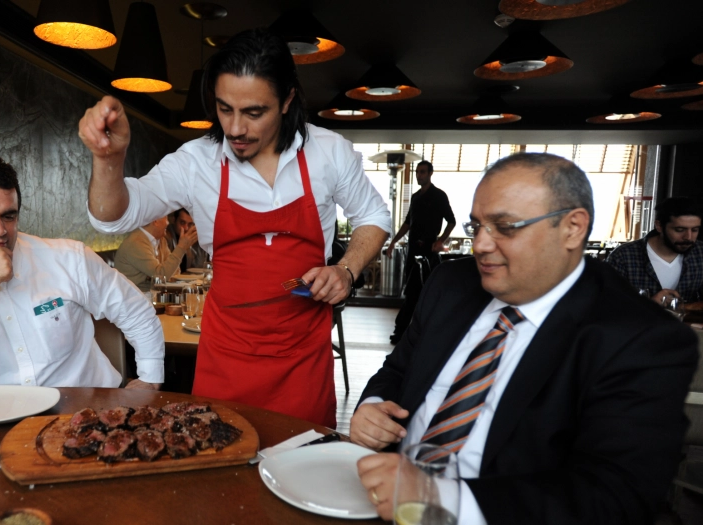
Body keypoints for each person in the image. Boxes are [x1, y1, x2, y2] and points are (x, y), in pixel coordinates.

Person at [351, 153, 698, 525]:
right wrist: (374, 405)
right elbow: (397, 371)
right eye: (476, 226)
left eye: (505, 227)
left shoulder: (641, 338)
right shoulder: (450, 283)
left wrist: (439, 497)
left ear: (573, 228)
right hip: (381, 500)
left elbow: (614, 496)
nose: (480, 245)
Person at [77, 28, 391, 428]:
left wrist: (346, 269)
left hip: (303, 360)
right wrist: (108, 159)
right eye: (225, 109)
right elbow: (113, 217)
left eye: (254, 112)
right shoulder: (196, 162)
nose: (236, 128)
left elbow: (375, 215)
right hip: (226, 357)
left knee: (304, 456)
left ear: (288, 99)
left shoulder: (329, 152)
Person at [0, 154, 164, 391]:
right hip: (1, 423)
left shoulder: (69, 258)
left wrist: (150, 378)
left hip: (88, 408)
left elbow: (135, 310)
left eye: (8, 216)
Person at [384, 160, 456, 344]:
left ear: (430, 173)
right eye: (417, 172)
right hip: (412, 250)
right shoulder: (415, 197)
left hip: (428, 252)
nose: (419, 175)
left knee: (419, 293)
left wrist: (440, 241)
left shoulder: (439, 196)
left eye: (422, 172)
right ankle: (407, 332)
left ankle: (403, 331)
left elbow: (451, 221)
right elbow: (408, 223)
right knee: (412, 292)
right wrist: (393, 242)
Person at [606, 196, 702, 304]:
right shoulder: (623, 257)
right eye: (679, 230)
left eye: (695, 230)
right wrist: (649, 305)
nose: (688, 237)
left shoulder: (700, 253)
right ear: (659, 226)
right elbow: (606, 305)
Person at [115, 215, 198, 292]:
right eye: (166, 218)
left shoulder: (161, 240)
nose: (168, 223)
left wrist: (159, 274)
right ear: (156, 221)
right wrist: (181, 247)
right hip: (134, 297)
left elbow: (175, 271)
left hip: (151, 295)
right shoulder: (136, 243)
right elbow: (161, 275)